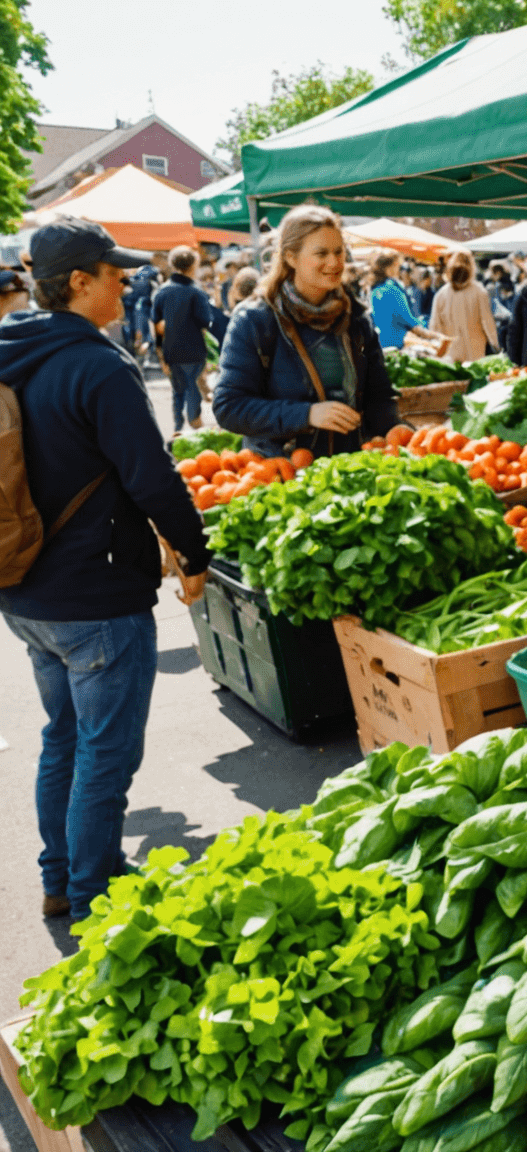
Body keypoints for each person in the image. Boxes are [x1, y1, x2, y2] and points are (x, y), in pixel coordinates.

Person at [0, 218, 209, 920]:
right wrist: (194, 553)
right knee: (104, 754)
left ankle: (61, 875)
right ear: (77, 282)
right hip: (97, 595)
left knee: (62, 738)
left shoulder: (10, 350)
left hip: (24, 590)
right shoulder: (99, 365)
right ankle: (93, 895)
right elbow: (152, 477)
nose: (126, 283)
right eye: (113, 273)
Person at [213, 206, 405, 459]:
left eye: (338, 251)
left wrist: (398, 431)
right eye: (321, 253)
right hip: (282, 469)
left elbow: (378, 397)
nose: (334, 262)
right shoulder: (255, 319)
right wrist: (307, 414)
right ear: (291, 257)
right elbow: (229, 407)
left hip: (348, 468)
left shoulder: (356, 318)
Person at [150, 245, 224, 432]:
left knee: (177, 390)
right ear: (194, 266)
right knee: (192, 387)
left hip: (170, 350)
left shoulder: (161, 291)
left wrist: (159, 353)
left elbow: (155, 323)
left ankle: (177, 426)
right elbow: (206, 322)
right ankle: (194, 423)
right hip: (194, 349)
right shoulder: (196, 292)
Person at [430, 250, 500, 363]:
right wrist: (496, 345)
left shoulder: (441, 295)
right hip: (475, 354)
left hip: (450, 355)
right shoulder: (480, 292)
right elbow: (487, 322)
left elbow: (434, 326)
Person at [366, 253, 443, 350]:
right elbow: (407, 319)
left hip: (382, 342)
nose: (399, 269)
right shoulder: (392, 289)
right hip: (398, 342)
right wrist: (434, 336)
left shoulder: (375, 290)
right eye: (397, 265)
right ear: (389, 268)